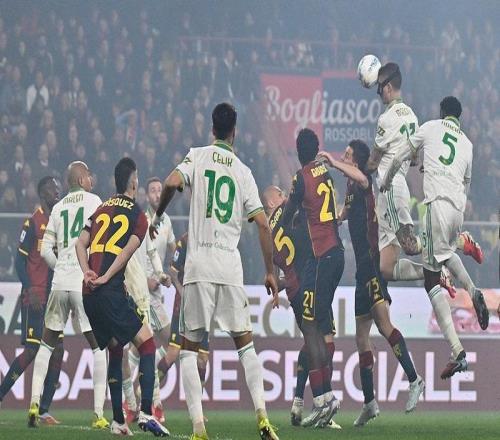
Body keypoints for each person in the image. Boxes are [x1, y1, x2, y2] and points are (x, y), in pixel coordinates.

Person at [150, 102, 279, 440]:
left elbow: (171, 181)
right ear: (234, 132)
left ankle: (198, 428)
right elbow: (263, 225)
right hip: (230, 268)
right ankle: (263, 417)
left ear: (212, 129)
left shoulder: (197, 156)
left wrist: (159, 214)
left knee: (188, 348)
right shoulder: (244, 171)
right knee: (245, 345)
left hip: (199, 266)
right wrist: (270, 271)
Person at [380, 96, 489, 379]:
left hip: (436, 206)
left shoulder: (430, 127)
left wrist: (386, 180)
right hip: (457, 210)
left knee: (430, 280)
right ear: (459, 117)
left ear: (442, 112)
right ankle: (472, 290)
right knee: (444, 252)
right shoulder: (468, 144)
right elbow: (465, 183)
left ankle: (458, 351)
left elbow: (400, 155)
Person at [318, 141, 424, 426]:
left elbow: (362, 177)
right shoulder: (351, 188)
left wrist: (333, 162)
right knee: (361, 337)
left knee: (383, 324)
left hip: (372, 266)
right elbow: (342, 213)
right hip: (361, 272)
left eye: (347, 155)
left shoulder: (364, 181)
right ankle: (369, 403)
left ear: (357, 161)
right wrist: (330, 218)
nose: (343, 157)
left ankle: (414, 379)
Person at [75, 157, 169, 436]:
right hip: (110, 291)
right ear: (134, 181)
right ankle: (147, 413)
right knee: (148, 344)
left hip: (89, 293)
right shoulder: (137, 214)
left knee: (116, 349)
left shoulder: (100, 208)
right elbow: (126, 252)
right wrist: (105, 277)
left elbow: (79, 243)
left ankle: (118, 421)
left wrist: (87, 271)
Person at [366, 63, 481, 287]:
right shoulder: (412, 116)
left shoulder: (385, 119)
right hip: (395, 189)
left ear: (388, 88)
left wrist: (356, 169)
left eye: (379, 89)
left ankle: (459, 242)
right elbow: (415, 159)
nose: (379, 93)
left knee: (410, 246)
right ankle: (438, 274)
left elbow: (373, 162)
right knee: (386, 267)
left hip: (390, 188)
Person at [28, 162, 108, 429]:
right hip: (82, 281)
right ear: (82, 179)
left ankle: (34, 403)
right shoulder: (95, 201)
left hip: (60, 282)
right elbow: (101, 242)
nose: (92, 180)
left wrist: (60, 264)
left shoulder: (58, 207)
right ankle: (98, 414)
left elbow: (44, 250)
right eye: (89, 176)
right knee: (98, 347)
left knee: (46, 345)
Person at [262, 186, 340, 430]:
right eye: (280, 194)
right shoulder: (288, 211)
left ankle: (300, 400)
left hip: (296, 291)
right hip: (312, 280)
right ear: (272, 202)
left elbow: (282, 270)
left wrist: (278, 285)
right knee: (325, 344)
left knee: (312, 343)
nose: (284, 196)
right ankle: (322, 403)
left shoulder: (269, 232)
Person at [281, 128, 343, 428]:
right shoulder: (325, 173)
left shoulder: (301, 177)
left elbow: (289, 210)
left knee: (310, 326)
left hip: (322, 257)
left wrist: (282, 223)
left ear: (298, 151)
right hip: (336, 254)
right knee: (318, 327)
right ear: (316, 149)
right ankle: (324, 398)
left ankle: (322, 399)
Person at [0, 177, 63, 425]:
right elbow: (19, 261)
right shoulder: (33, 222)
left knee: (58, 351)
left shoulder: (59, 222)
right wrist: (30, 289)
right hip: (35, 296)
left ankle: (43, 410)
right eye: (52, 188)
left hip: (54, 297)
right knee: (32, 349)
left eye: (58, 187)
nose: (57, 191)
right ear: (42, 193)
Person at [156, 233, 210, 394]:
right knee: (172, 353)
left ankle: (198, 403)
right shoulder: (185, 241)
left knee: (202, 359)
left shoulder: (212, 240)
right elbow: (172, 272)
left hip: (203, 307)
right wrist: (181, 291)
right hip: (183, 307)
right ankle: (150, 392)